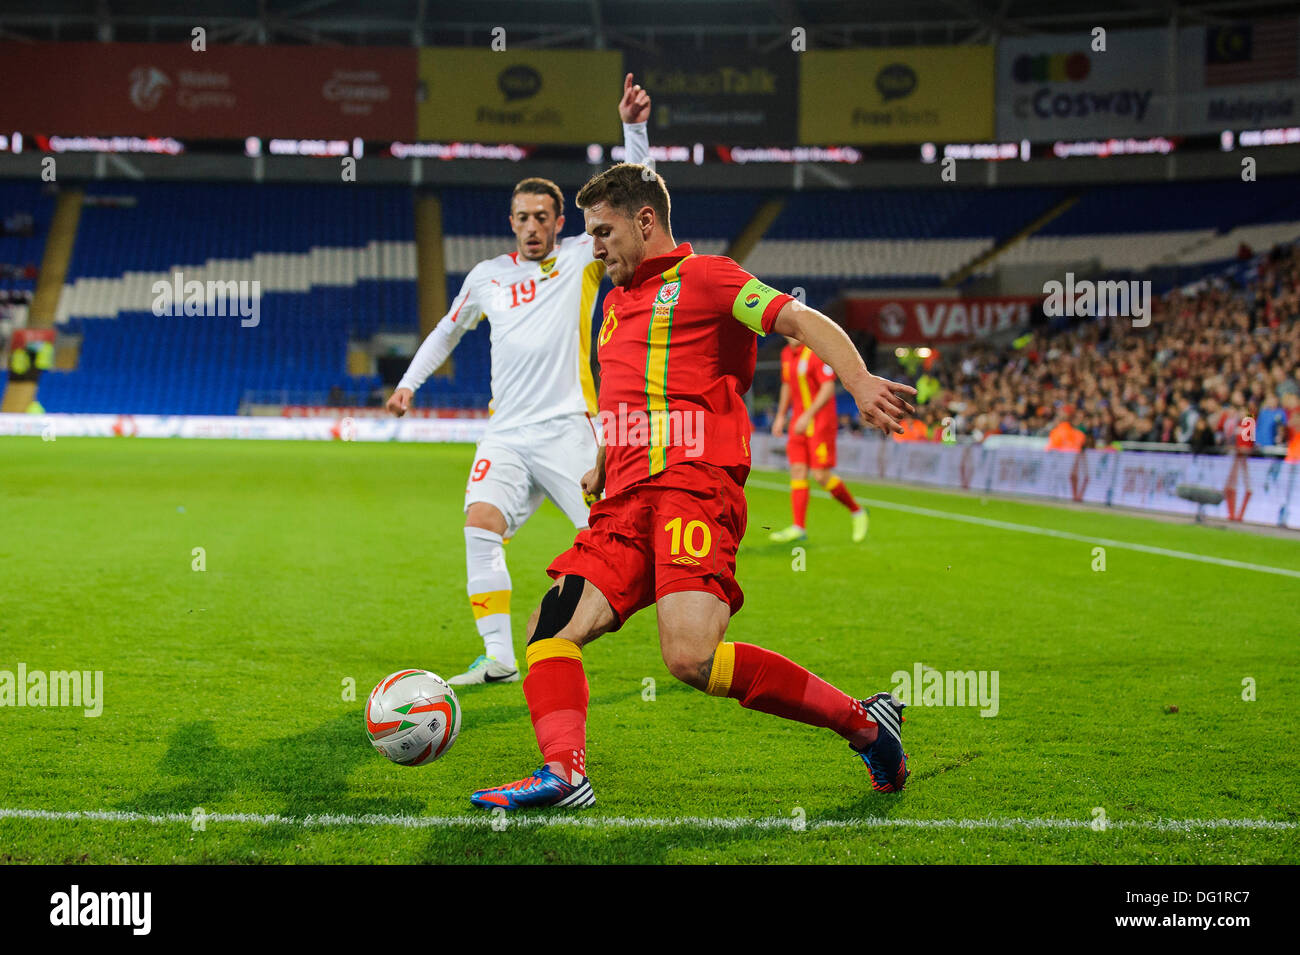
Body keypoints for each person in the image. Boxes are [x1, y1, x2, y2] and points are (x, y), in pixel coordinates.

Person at [468, 162, 918, 811]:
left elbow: (799, 320)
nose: (594, 246)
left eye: (604, 231)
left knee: (690, 657)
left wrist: (856, 379)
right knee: (548, 626)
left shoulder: (708, 277)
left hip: (692, 490)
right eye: (590, 233)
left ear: (644, 221)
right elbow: (626, 393)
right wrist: (600, 460)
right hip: (622, 499)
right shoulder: (614, 301)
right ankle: (565, 773)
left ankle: (868, 726)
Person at [388, 75, 653, 686]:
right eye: (523, 217)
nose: (532, 226)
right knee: (479, 524)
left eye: (543, 216)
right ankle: (499, 656)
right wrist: (409, 383)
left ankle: (670, 613)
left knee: (612, 536)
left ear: (562, 220)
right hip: (505, 431)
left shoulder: (583, 261)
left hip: (568, 427)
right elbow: (447, 332)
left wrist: (633, 129)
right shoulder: (486, 276)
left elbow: (637, 203)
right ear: (510, 222)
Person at [768, 337, 868, 543]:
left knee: (821, 475)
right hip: (798, 422)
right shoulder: (786, 354)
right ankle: (798, 527)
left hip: (819, 423)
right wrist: (780, 415)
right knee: (797, 471)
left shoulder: (816, 351)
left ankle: (857, 511)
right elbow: (787, 384)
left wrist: (808, 414)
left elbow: (828, 387)